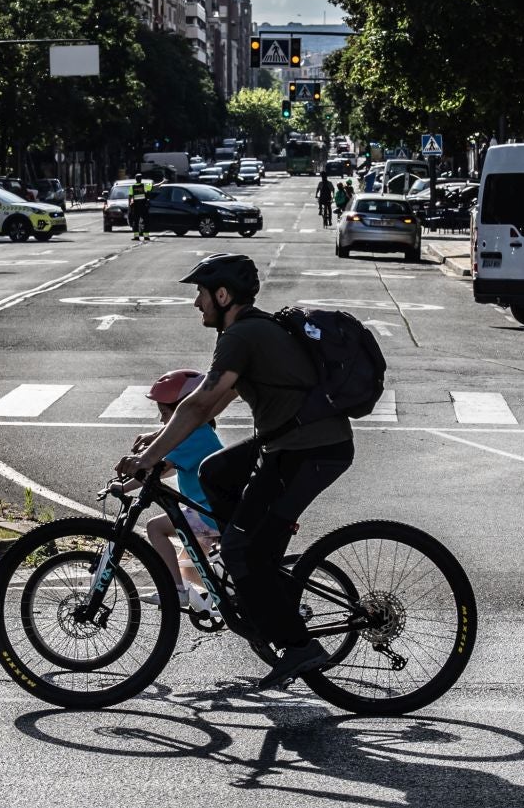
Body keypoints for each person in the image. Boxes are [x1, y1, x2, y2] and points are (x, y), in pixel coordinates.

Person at [116, 252, 353, 690]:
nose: (197, 304)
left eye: (201, 294)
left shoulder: (242, 336)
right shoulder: (247, 331)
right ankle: (244, 556)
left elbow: (201, 403)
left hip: (310, 449)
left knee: (246, 548)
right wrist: (160, 440)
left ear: (223, 295)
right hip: (293, 441)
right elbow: (212, 406)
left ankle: (298, 645)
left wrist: (149, 459)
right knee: (214, 470)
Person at [140, 368, 221, 616]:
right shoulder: (198, 432)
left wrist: (124, 485)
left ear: (183, 410)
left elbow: (160, 470)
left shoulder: (194, 435)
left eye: (165, 414)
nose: (163, 421)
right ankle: (218, 599)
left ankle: (176, 591)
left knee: (155, 528)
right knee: (189, 568)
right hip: (206, 511)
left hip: (207, 514)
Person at [128, 172, 153, 242]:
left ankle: (136, 237)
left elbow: (130, 197)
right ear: (141, 179)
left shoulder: (132, 187)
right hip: (144, 206)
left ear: (135, 179)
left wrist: (130, 205)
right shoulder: (145, 186)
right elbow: (153, 187)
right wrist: (162, 182)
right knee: (146, 221)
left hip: (136, 207)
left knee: (136, 222)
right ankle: (146, 237)